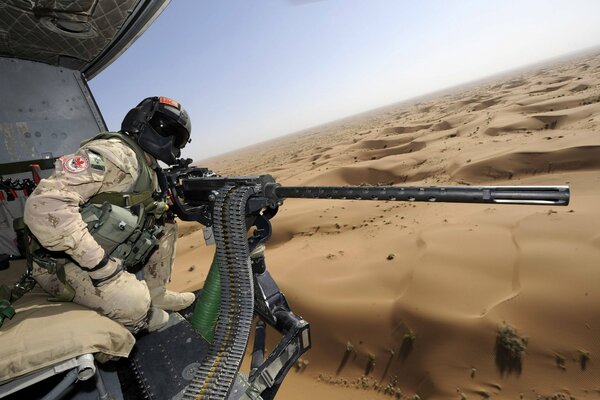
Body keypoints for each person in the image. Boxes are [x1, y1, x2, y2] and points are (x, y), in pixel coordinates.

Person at [23, 96, 195, 333]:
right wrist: (102, 268)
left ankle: (157, 293)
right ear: (140, 122)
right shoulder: (115, 154)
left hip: (106, 251)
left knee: (165, 225)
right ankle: (142, 310)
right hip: (63, 264)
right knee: (136, 306)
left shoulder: (148, 165)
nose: (172, 142)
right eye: (166, 129)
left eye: (179, 138)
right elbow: (44, 206)